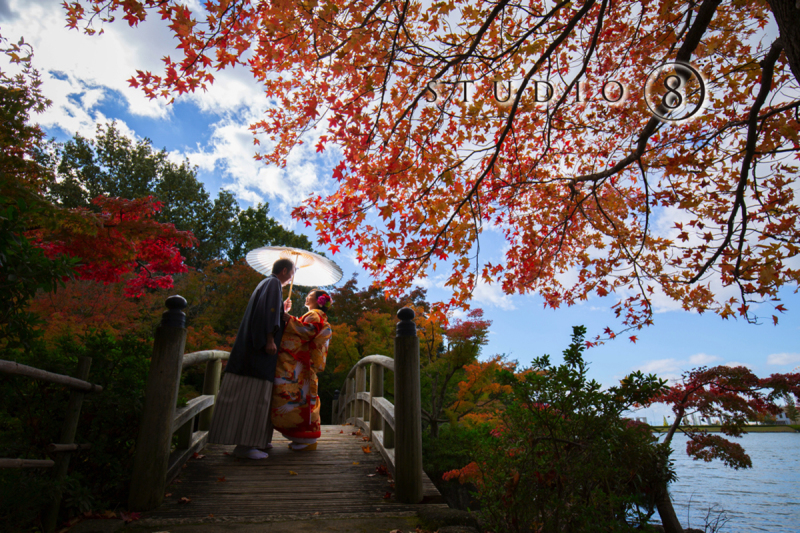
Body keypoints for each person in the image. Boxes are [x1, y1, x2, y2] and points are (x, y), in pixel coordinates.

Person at [207, 258, 294, 459]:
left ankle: (257, 441)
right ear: (284, 270)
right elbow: (266, 315)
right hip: (258, 353)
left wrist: (282, 308)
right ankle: (245, 445)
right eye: (292, 272)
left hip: (251, 352)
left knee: (255, 397)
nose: (292, 277)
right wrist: (270, 339)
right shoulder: (273, 283)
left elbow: (268, 311)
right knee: (254, 398)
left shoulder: (266, 284)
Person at [271, 289, 333, 451]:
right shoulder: (317, 315)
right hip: (305, 364)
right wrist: (288, 315)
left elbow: (308, 332)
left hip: (302, 364)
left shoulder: (314, 315)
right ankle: (304, 438)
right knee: (305, 400)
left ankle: (306, 439)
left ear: (318, 300)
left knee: (300, 400)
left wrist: (289, 319)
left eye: (310, 296)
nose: (307, 297)